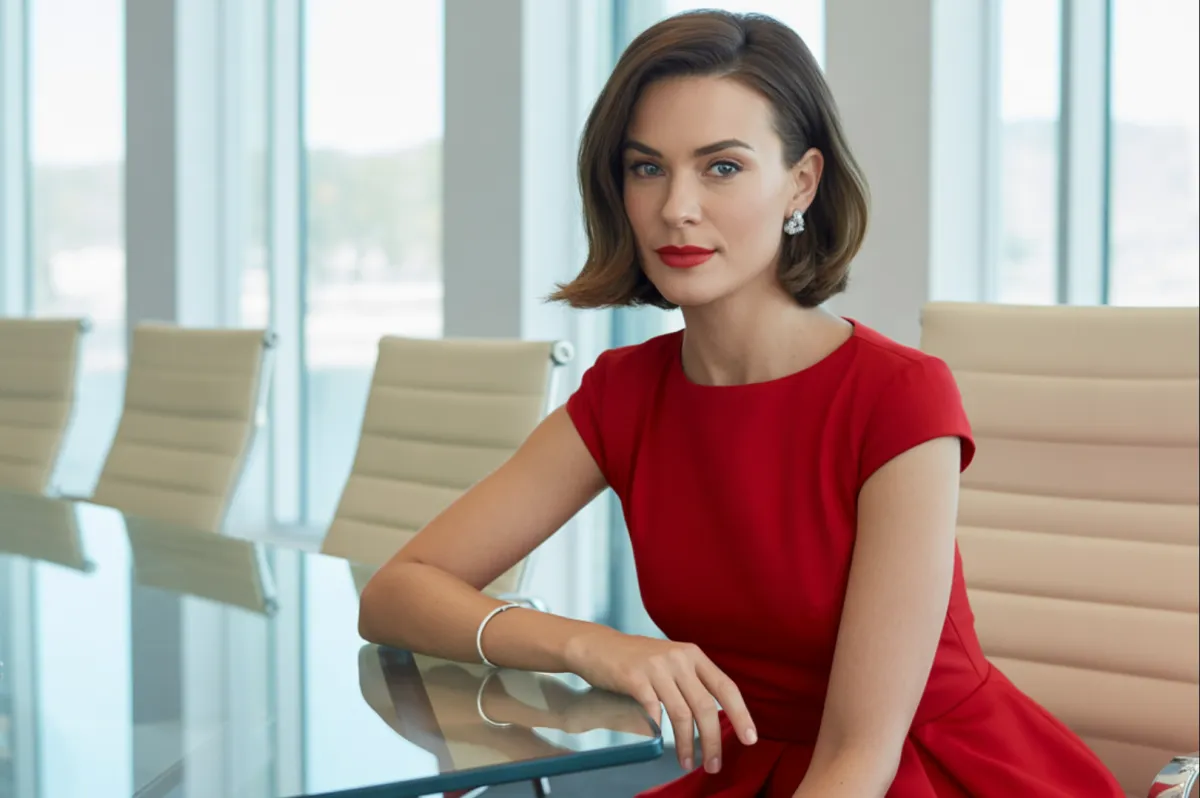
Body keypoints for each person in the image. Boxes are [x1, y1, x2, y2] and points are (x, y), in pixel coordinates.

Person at [359, 10, 1125, 797]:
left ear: (802, 181)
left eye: (721, 167)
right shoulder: (626, 395)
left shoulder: (898, 397)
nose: (676, 208)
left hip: (916, 773)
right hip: (749, 770)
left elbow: (861, 751)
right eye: (646, 168)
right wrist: (591, 646)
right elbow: (396, 591)